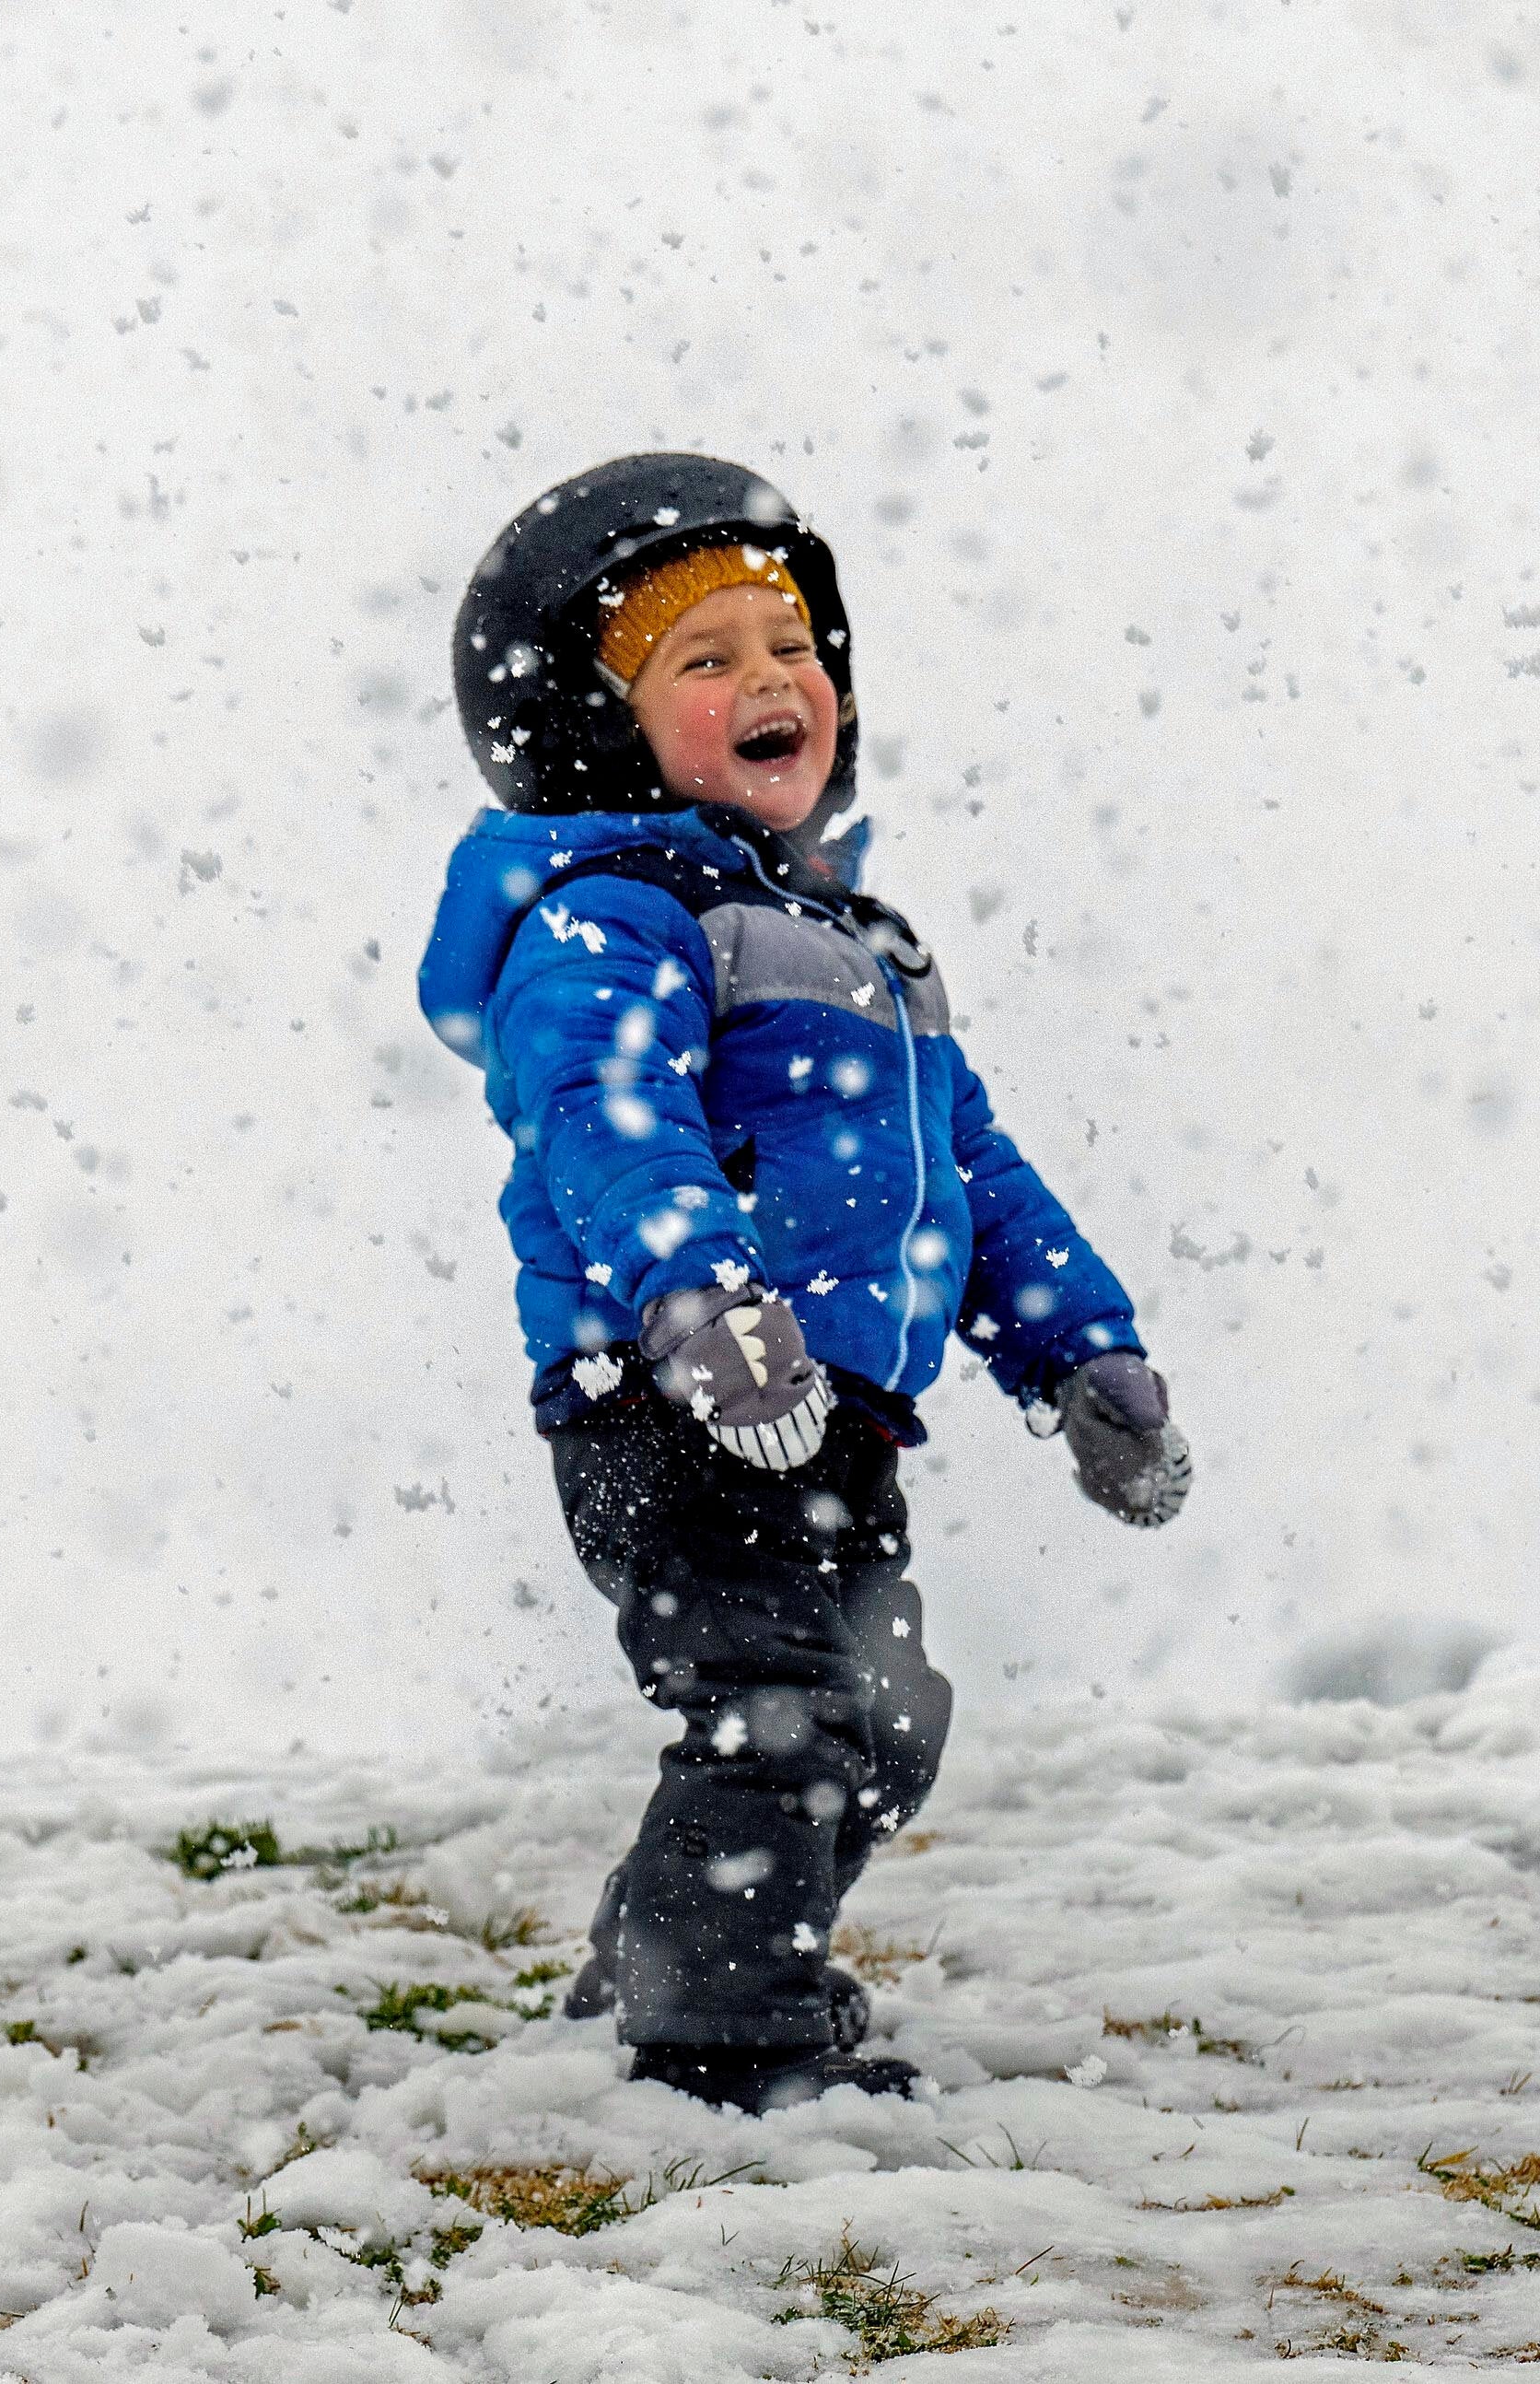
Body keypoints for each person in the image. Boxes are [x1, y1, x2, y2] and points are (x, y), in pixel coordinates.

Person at [414, 453, 1192, 2115]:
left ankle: (657, 1958)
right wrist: (701, 1305)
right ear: (599, 727)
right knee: (779, 1707)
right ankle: (723, 2043)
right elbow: (603, 1123)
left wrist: (1082, 1356)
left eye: (791, 649)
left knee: (879, 1720)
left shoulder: (870, 951)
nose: (773, 683)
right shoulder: (613, 920)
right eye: (706, 662)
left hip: (840, 1416)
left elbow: (975, 1179)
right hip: (677, 1392)